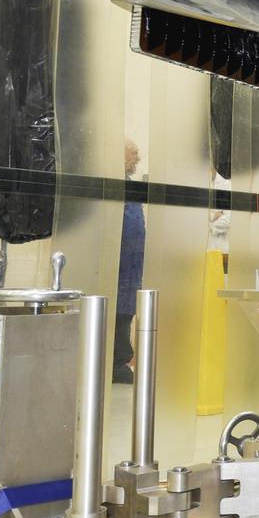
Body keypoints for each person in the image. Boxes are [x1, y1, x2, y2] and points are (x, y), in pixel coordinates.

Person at [114, 138, 146, 383]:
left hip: (132, 264)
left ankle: (120, 362)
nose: (138, 158)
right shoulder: (112, 184)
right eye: (134, 153)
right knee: (116, 314)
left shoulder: (130, 186)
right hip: (119, 264)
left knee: (125, 313)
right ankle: (116, 363)